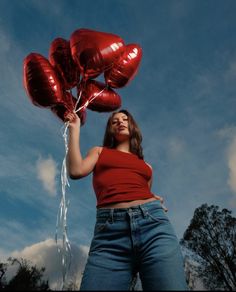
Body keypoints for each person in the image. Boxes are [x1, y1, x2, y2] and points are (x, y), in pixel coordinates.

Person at [66, 109, 188, 291]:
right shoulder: (99, 152)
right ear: (110, 130)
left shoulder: (147, 167)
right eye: (114, 121)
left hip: (154, 228)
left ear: (133, 127)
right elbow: (76, 171)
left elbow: (141, 191)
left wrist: (152, 199)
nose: (120, 122)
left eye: (125, 119)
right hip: (109, 236)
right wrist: (74, 129)